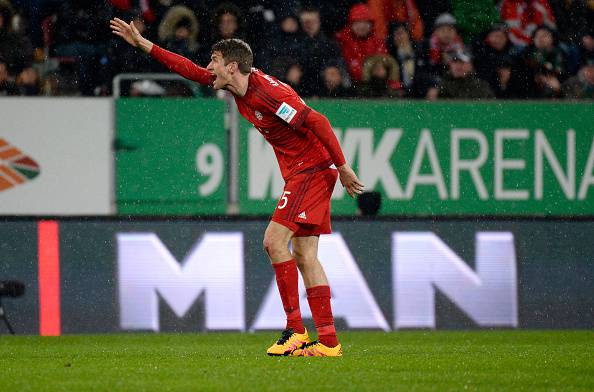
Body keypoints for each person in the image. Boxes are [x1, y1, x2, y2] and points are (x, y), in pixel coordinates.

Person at [110, 17, 364, 357]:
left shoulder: (270, 94)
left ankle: (296, 330)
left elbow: (318, 120)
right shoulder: (234, 84)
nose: (208, 68)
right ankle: (330, 343)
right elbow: (190, 70)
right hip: (304, 173)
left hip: (312, 171)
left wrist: (344, 168)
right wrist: (145, 45)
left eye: (214, 62)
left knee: (274, 242)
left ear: (231, 67)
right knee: (305, 255)